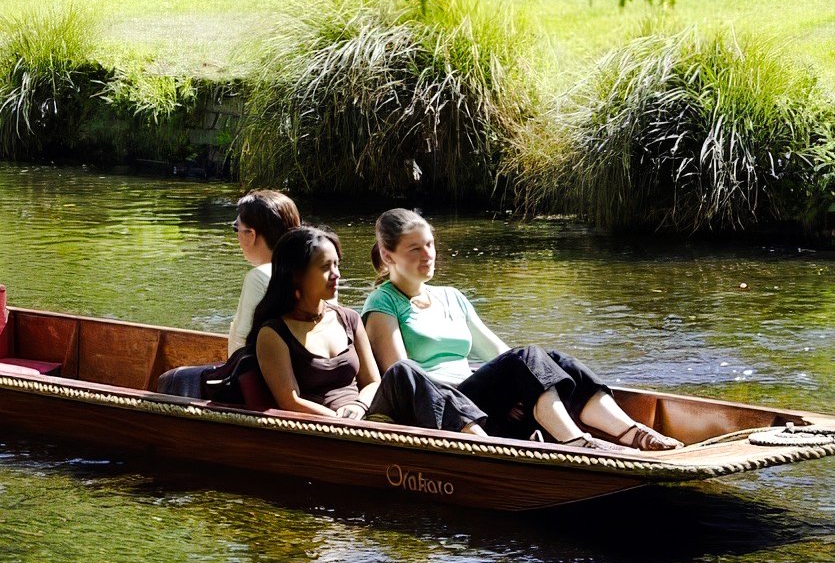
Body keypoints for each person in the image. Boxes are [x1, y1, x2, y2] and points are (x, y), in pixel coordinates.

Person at [360, 209, 679, 451]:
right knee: (527, 358)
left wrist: (522, 383)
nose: (427, 254)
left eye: (429, 244)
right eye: (414, 248)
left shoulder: (451, 297)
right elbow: (401, 377)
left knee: (552, 360)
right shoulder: (383, 303)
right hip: (439, 409)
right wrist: (514, 375)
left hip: (475, 398)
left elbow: (500, 354)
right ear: (389, 255)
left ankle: (633, 432)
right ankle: (576, 444)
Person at [240, 225, 383, 421]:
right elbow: (290, 401)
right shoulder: (273, 333)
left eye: (337, 264)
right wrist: (340, 421)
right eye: (325, 267)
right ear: (296, 275)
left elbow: (373, 382)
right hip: (322, 430)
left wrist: (359, 406)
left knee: (405, 373)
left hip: (368, 416)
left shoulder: (349, 318)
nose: (337, 274)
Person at [226, 189, 303, 346]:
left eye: (236, 228)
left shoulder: (259, 277)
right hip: (303, 366)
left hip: (258, 368)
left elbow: (241, 343)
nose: (236, 235)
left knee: (173, 373)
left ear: (251, 234)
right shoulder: (317, 271)